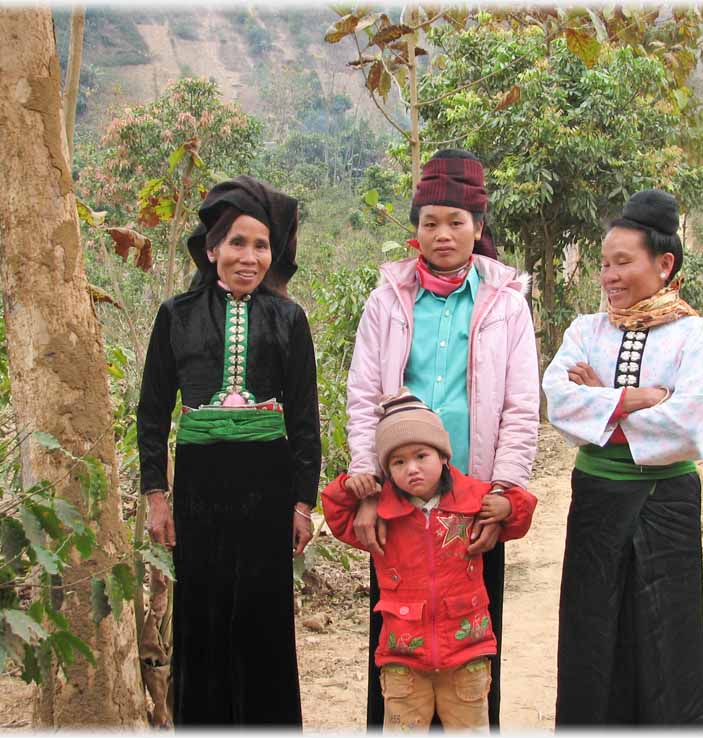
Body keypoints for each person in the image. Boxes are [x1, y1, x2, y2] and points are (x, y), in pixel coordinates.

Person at [344, 149, 540, 729]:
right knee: (397, 642)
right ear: (416, 231)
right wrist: (367, 487)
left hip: (472, 499)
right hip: (399, 499)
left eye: (456, 222)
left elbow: (521, 406)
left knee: (476, 642)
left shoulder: (506, 305)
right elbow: (362, 397)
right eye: (430, 222)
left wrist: (503, 493)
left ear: (478, 228)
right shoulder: (387, 301)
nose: (443, 233)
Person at [136, 175, 321, 726]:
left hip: (267, 482)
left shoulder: (288, 319)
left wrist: (302, 504)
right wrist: (156, 496)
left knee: (264, 618)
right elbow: (151, 414)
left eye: (261, 245)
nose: (249, 256)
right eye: (237, 243)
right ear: (211, 247)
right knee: (203, 615)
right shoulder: (176, 315)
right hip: (200, 484)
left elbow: (306, 418)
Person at [541, 189, 703, 726]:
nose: (609, 276)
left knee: (665, 633)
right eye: (604, 264)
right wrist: (633, 399)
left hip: (666, 501)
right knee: (591, 630)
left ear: (664, 263)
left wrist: (601, 409)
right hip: (597, 500)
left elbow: (692, 425)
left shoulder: (699, 335)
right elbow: (559, 400)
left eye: (623, 262)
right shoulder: (585, 330)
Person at [323, 391, 537, 732]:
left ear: (443, 456)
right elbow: (335, 514)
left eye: (421, 455)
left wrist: (508, 507)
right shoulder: (383, 516)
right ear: (387, 470)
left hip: (467, 653)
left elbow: (521, 514)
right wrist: (355, 486)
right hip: (402, 660)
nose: (412, 469)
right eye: (398, 462)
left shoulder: (473, 499)